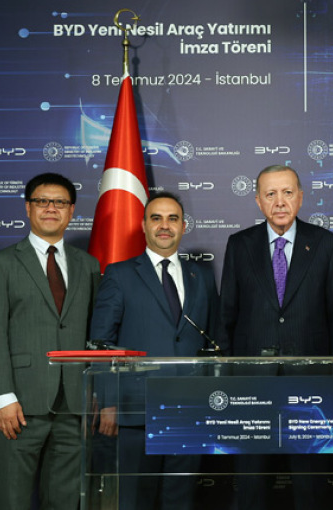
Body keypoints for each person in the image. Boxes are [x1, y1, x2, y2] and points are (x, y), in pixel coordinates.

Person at [218, 164, 333, 510]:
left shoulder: (325, 243)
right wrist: (227, 382)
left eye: (288, 193)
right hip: (251, 385)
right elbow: (226, 316)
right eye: (271, 194)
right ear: (258, 201)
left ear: (301, 198)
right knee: (251, 480)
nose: (280, 202)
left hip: (310, 384)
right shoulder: (239, 244)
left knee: (310, 482)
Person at [90, 191, 218, 510]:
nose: (164, 225)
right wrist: (108, 402)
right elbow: (101, 342)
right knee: (135, 500)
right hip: (135, 411)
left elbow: (213, 340)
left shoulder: (201, 276)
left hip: (189, 410)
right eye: (156, 218)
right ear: (143, 225)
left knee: (180, 500)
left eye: (173, 219)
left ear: (183, 226)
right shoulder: (119, 274)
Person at [0, 172, 101, 510]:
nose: (51, 208)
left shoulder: (88, 265)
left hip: (74, 405)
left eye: (60, 202)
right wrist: (2, 398)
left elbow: (95, 336)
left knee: (65, 501)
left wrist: (95, 393)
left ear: (72, 210)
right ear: (27, 208)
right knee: (14, 500)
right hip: (19, 404)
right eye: (42, 201)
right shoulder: (1, 264)